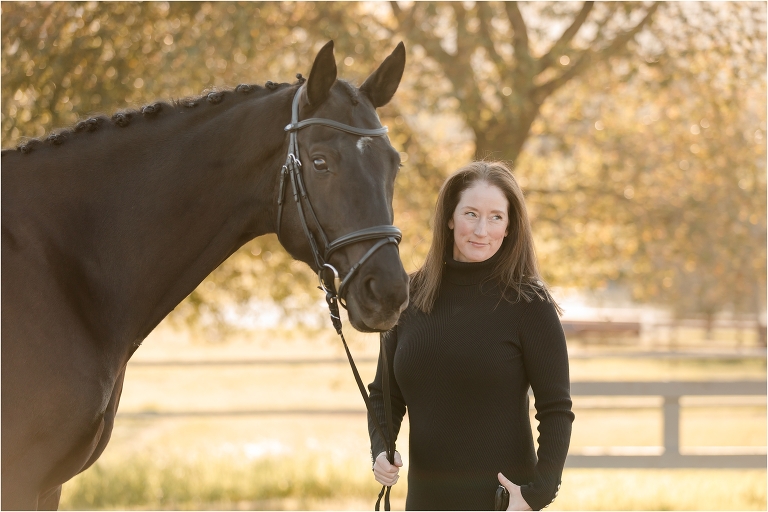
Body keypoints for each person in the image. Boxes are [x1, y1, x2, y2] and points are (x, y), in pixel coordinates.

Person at [367, 161, 574, 511]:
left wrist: (539, 493)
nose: (482, 230)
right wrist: (381, 451)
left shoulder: (529, 303)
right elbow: (384, 396)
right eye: (471, 214)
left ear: (509, 227)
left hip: (502, 505)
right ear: (450, 218)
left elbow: (556, 409)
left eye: (496, 217)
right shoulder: (410, 296)